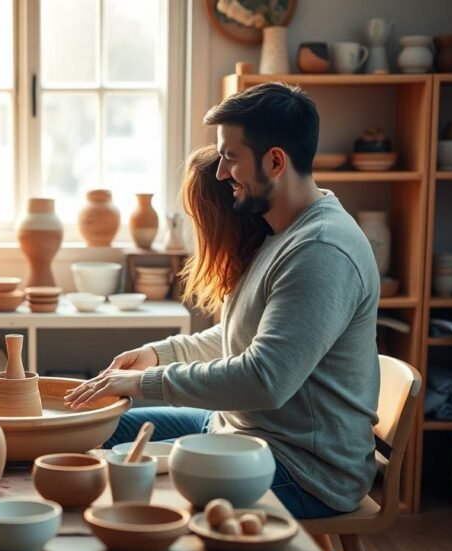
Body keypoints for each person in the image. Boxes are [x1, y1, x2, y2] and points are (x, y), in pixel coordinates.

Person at [64, 83, 381, 519]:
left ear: (275, 161)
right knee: (90, 432)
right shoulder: (282, 233)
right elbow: (242, 337)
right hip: (239, 432)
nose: (219, 174)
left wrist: (144, 383)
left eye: (231, 157)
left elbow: (264, 379)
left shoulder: (321, 251)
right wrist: (158, 354)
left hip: (303, 469)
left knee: (140, 487)